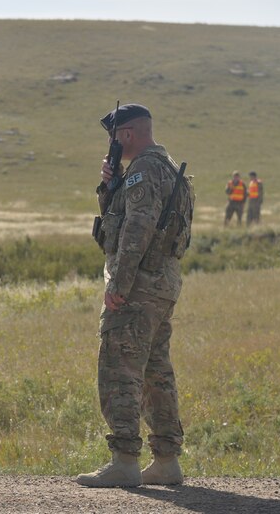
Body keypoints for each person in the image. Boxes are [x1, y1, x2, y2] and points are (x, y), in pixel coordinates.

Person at [81, 103, 194, 488]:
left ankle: (125, 459)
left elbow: (136, 230)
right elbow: (122, 217)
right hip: (163, 285)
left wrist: (119, 284)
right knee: (155, 373)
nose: (112, 144)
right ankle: (166, 460)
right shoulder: (165, 167)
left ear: (127, 134)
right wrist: (109, 187)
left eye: (114, 137)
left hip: (138, 286)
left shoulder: (143, 170)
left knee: (119, 368)